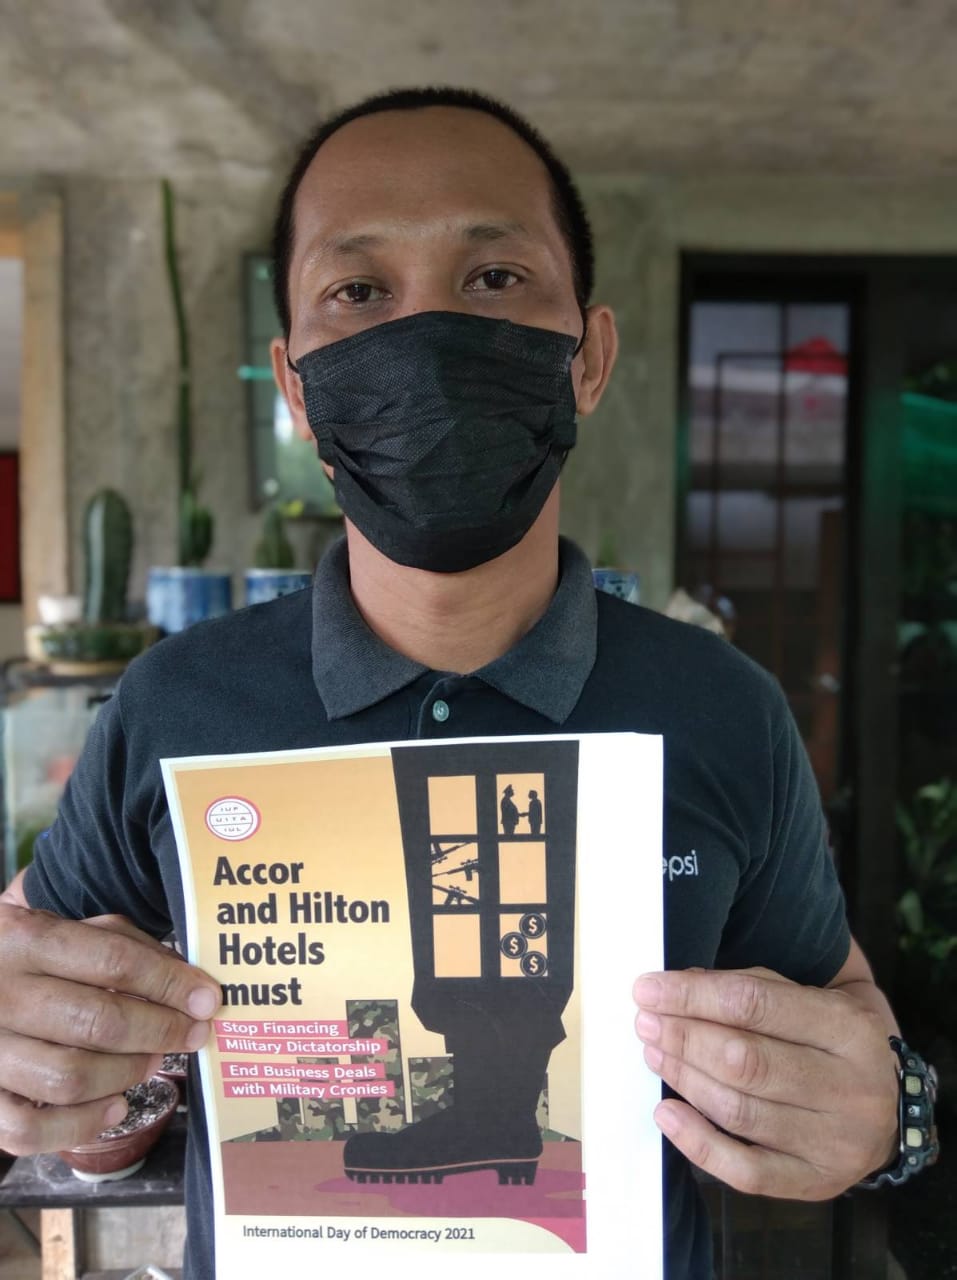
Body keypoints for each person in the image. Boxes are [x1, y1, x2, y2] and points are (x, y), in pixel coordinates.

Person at [0, 88, 911, 1279]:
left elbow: (846, 1017)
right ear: (296, 386)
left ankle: (496, 1115)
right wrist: (54, 1066)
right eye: (358, 290)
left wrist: (886, 1114)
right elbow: (65, 1041)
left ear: (587, 358)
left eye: (494, 277)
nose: (427, 334)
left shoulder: (722, 707)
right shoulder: (173, 703)